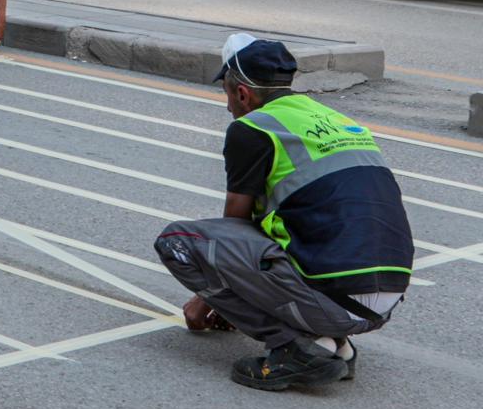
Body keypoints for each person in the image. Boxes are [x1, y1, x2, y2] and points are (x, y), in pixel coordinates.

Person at [154, 34, 414, 391]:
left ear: (243, 94)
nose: (229, 107)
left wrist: (210, 300)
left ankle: (295, 348)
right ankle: (332, 343)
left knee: (179, 242)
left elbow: (234, 225)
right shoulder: (336, 120)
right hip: (384, 300)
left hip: (337, 298)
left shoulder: (253, 129)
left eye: (228, 96)